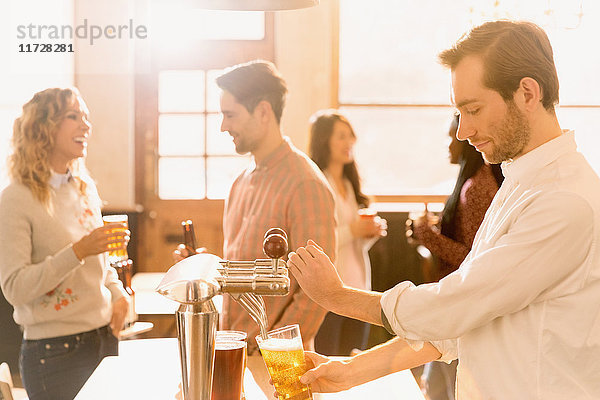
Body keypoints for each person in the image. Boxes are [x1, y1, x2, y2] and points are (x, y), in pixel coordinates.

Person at [287, 20, 600, 399]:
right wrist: (352, 371)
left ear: (528, 93)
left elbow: (457, 305)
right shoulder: (518, 182)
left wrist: (339, 297)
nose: (462, 131)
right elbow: (462, 323)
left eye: (473, 109)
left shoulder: (565, 201)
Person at [176, 60, 336, 354]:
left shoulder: (305, 183)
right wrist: (205, 268)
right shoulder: (240, 182)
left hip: (278, 363)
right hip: (232, 353)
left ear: (263, 112)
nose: (223, 127)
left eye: (230, 115)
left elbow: (317, 293)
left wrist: (270, 350)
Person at [0, 88, 131, 399]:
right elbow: (14, 288)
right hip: (55, 354)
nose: (86, 125)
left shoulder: (84, 189)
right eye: (74, 116)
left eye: (85, 117)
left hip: (103, 340)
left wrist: (117, 293)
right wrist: (78, 251)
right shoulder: (15, 199)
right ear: (42, 127)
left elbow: (103, 262)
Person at [412, 113, 503, 400]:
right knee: (436, 387)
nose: (450, 142)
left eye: (453, 136)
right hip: (451, 310)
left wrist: (426, 234)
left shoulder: (476, 188)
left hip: (459, 312)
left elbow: (470, 257)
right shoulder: (474, 182)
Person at [308, 110, 386, 356]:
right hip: (330, 293)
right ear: (324, 141)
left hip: (358, 290)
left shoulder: (351, 185)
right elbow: (316, 242)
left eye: (350, 136)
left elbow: (352, 246)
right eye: (341, 136)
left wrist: (367, 235)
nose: (349, 142)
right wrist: (354, 230)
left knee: (353, 361)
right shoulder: (318, 183)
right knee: (329, 361)